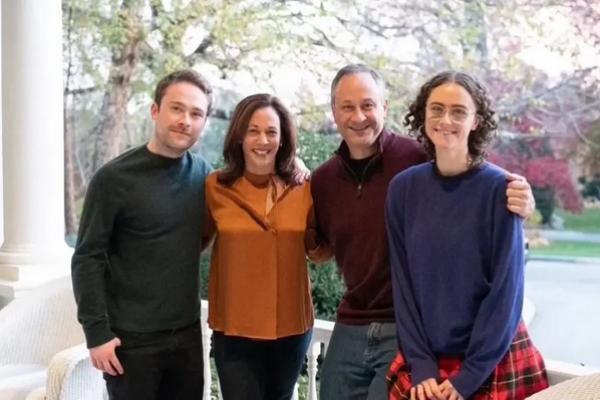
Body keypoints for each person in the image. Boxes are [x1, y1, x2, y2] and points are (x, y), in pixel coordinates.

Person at [310, 64, 536, 400]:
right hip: (379, 330)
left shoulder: (482, 182)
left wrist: (522, 195)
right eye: (347, 106)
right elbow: (324, 250)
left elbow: (506, 289)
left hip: (444, 343)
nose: (359, 116)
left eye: (368, 105)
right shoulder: (338, 181)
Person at [385, 71, 549, 400]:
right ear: (423, 114)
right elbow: (403, 285)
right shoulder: (403, 190)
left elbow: (506, 291)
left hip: (492, 360)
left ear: (476, 121)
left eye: (459, 111)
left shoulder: (502, 190)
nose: (446, 119)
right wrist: (421, 363)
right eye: (437, 109)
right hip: (428, 361)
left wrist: (470, 374)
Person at [71, 69, 213, 400]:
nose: (185, 121)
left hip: (188, 338)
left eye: (196, 114)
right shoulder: (113, 179)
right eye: (177, 109)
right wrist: (96, 334)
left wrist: (293, 166)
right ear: (155, 111)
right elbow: (87, 257)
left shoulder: (205, 177)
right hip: (131, 343)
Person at [203, 93, 329, 400]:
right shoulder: (215, 187)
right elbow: (190, 244)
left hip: (291, 328)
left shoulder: (305, 187)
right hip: (235, 329)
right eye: (253, 130)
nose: (263, 140)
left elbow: (319, 251)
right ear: (239, 136)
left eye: (272, 132)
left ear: (283, 139)